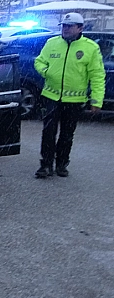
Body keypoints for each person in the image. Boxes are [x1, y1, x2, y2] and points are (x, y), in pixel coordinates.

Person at [33, 12, 105, 178]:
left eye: (69, 26)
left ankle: (61, 164)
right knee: (48, 132)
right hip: (51, 97)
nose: (65, 29)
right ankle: (45, 165)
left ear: (80, 28)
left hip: (75, 100)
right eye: (64, 26)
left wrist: (96, 100)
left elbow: (97, 75)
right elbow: (39, 61)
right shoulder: (52, 43)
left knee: (67, 134)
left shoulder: (90, 48)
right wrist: (46, 71)